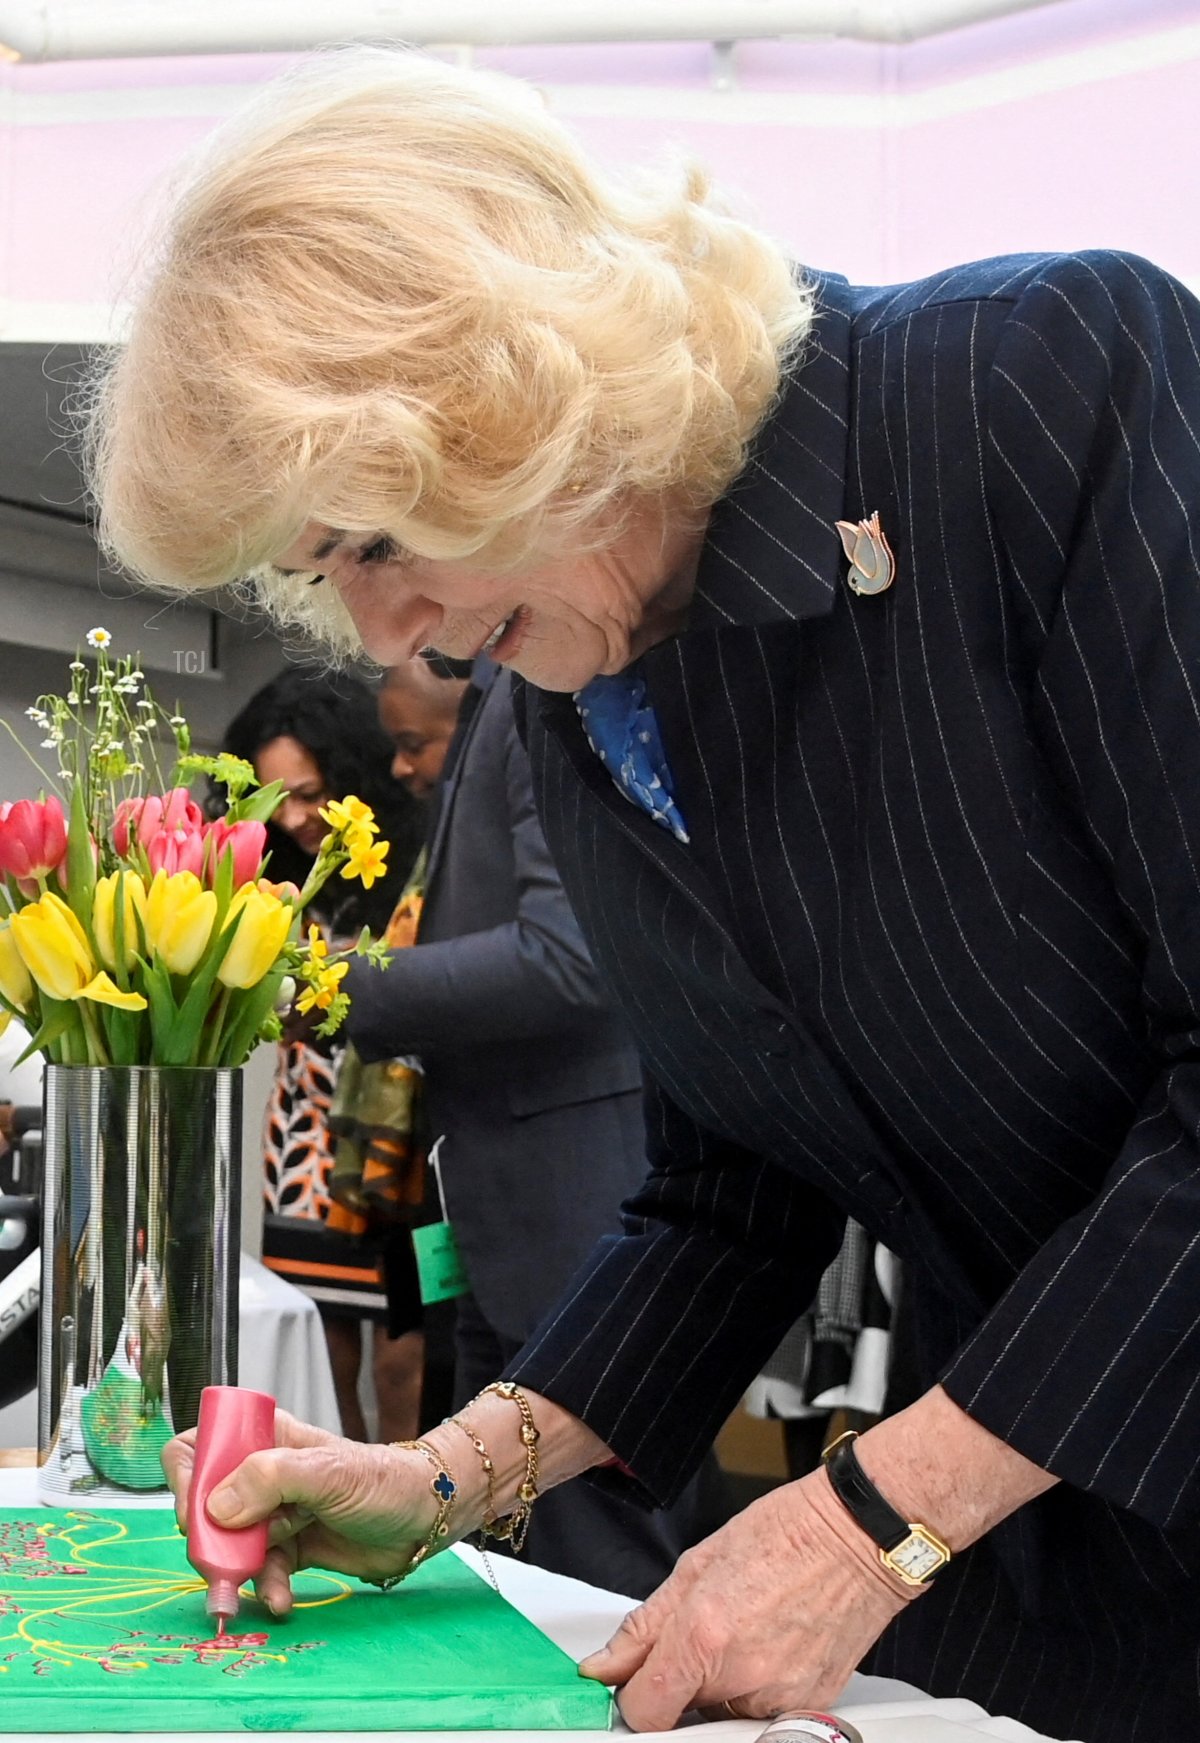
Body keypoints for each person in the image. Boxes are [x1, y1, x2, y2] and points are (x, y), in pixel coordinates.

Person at [89, 47, 1200, 1743]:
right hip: (1064, 1588)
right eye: (323, 568)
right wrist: (445, 1475)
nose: (387, 633)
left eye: (374, 536)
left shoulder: (1041, 383)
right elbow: (727, 1189)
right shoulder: (581, 686)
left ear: (510, 388)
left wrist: (866, 1516)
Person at [351, 651, 727, 1596]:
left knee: (600, 1566)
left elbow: (567, 957)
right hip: (508, 1205)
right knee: (502, 1570)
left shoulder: (546, 682)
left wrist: (337, 983)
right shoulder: (498, 697)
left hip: (576, 1201)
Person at [222, 668, 427, 1443]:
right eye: (278, 800)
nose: (296, 817)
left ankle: (408, 1490)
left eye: (310, 794)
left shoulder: (414, 853)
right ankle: (331, 1484)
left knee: (402, 1356)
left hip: (396, 1129)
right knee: (321, 1346)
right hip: (302, 1131)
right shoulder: (273, 867)